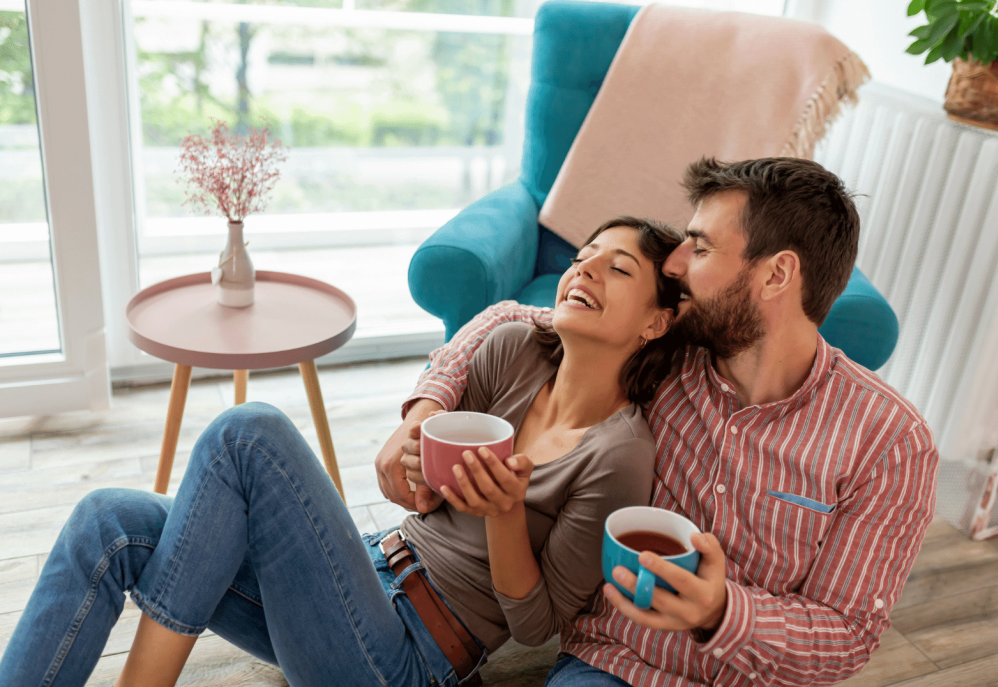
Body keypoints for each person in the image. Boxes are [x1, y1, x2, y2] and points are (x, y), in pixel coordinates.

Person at [0, 217, 683, 687]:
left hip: (406, 655)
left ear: (656, 322)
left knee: (249, 432)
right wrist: (414, 470)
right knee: (108, 520)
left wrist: (506, 516)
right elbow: (425, 496)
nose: (584, 268)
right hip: (359, 576)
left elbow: (536, 626)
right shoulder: (512, 352)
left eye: (616, 266)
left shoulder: (619, 455)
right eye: (582, 255)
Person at [377, 157, 941, 687]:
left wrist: (723, 611)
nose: (674, 263)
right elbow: (519, 318)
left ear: (776, 276)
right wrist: (425, 408)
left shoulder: (889, 441)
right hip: (609, 659)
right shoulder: (664, 359)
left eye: (699, 247)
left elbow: (848, 634)